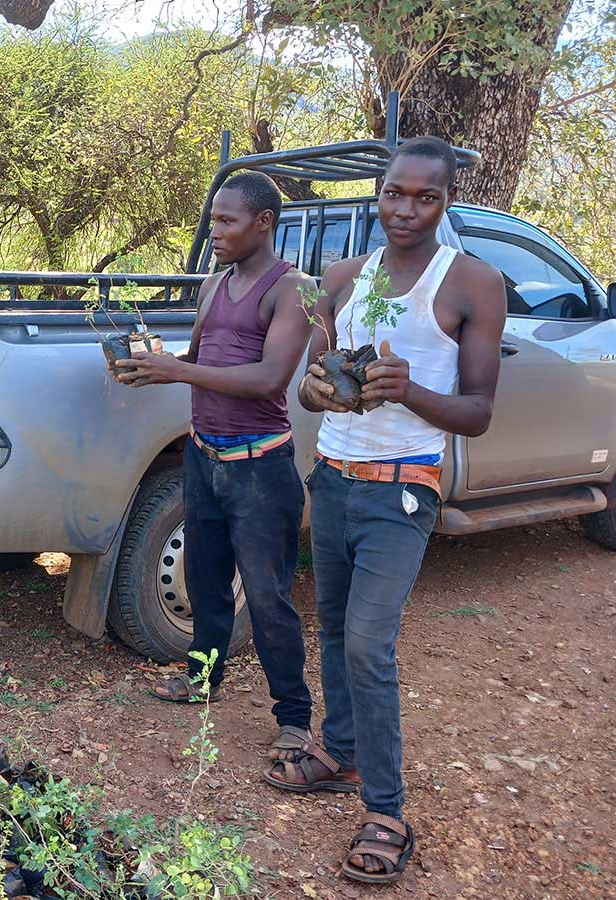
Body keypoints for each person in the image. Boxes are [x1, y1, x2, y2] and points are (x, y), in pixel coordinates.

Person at [265, 137, 506, 885]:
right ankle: (337, 752)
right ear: (380, 192)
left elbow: (476, 413)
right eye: (395, 193)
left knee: (369, 645)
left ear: (446, 202)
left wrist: (407, 390)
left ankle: (388, 810)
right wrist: (323, 391)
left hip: (403, 488)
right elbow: (309, 381)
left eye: (425, 197)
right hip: (333, 477)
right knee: (333, 628)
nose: (406, 209)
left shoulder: (472, 283)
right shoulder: (338, 278)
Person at [115, 171, 321, 764]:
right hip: (206, 458)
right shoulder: (213, 284)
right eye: (213, 220)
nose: (215, 232)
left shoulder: (295, 290)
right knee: (206, 583)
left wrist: (178, 373)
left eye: (228, 221)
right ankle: (202, 681)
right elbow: (200, 359)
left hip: (261, 469)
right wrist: (153, 366)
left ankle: (294, 718)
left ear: (264, 222)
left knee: (267, 598)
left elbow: (268, 380)